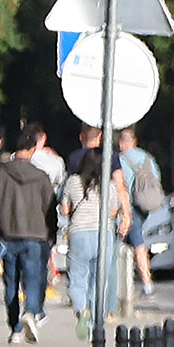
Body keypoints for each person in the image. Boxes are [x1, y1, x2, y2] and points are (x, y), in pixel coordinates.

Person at [0, 123, 61, 342]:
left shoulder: (0, 173)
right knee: (33, 278)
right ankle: (31, 311)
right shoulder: (42, 177)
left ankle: (15, 328)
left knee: (11, 282)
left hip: (7, 234)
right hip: (36, 235)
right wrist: (52, 233)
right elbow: (50, 208)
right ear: (33, 149)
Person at [65, 136, 128, 335]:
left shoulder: (73, 182)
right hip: (103, 234)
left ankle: (81, 310)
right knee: (99, 280)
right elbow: (113, 211)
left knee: (77, 278)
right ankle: (94, 322)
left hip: (79, 234)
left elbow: (65, 209)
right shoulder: (108, 185)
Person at [116, 127, 164, 287]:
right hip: (146, 206)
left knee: (136, 243)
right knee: (135, 241)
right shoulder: (147, 158)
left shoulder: (120, 160)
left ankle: (146, 283)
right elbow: (157, 178)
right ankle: (132, 279)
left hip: (129, 207)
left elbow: (120, 186)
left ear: (121, 143)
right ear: (134, 142)